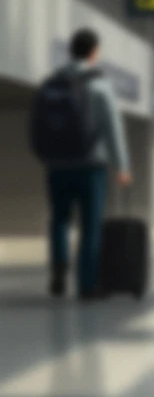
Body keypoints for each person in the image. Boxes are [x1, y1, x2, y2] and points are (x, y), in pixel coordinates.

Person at [30, 28, 131, 298]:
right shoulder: (99, 85)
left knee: (59, 220)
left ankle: (59, 270)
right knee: (90, 226)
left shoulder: (51, 83)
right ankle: (87, 286)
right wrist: (122, 166)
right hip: (90, 166)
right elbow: (113, 128)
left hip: (57, 165)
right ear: (94, 52)